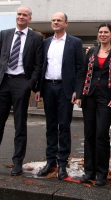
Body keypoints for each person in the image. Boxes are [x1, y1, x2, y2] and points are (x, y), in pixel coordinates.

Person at [0, 6, 44, 176]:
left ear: (30, 19)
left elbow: (38, 65)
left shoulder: (36, 37)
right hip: (3, 83)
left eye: (25, 15)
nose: (21, 17)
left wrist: (30, 84)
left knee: (20, 125)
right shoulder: (5, 34)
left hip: (22, 82)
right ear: (16, 17)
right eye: (19, 14)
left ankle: (17, 163)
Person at [35, 12, 83, 180]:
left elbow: (80, 68)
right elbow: (41, 66)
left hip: (65, 89)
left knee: (63, 126)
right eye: (53, 20)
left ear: (66, 23)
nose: (55, 22)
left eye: (59, 20)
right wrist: (39, 88)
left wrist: (77, 90)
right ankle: (50, 162)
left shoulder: (75, 42)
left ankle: (62, 163)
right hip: (48, 87)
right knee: (50, 126)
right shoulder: (46, 42)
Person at [75, 23, 111, 186]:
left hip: (106, 98)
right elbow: (82, 74)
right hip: (89, 97)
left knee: (101, 134)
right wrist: (80, 94)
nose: (102, 34)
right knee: (89, 134)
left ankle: (102, 174)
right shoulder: (91, 52)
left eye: (106, 32)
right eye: (100, 32)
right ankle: (89, 172)